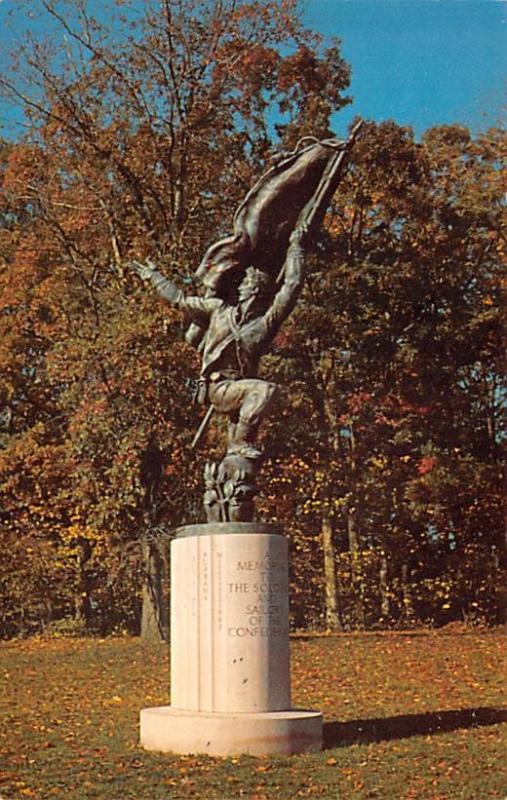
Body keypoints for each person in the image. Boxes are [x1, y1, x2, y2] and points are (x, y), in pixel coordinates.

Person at [130, 224, 307, 459]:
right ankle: (239, 444)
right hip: (218, 387)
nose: (240, 286)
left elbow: (292, 286)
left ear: (254, 290)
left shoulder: (265, 324)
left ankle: (238, 447)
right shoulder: (219, 310)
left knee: (239, 458)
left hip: (240, 390)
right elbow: (181, 300)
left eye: (245, 283)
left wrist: (296, 248)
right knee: (263, 390)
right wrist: (154, 277)